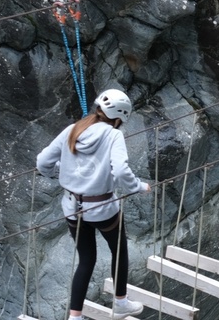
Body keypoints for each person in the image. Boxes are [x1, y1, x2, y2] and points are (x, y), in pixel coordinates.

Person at [37, 89, 150, 320]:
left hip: (72, 209)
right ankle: (120, 304)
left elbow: (42, 162)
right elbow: (119, 170)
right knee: (119, 251)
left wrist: (58, 171)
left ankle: (75, 317)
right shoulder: (113, 135)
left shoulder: (73, 129)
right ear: (120, 116)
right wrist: (137, 186)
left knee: (86, 260)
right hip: (102, 210)